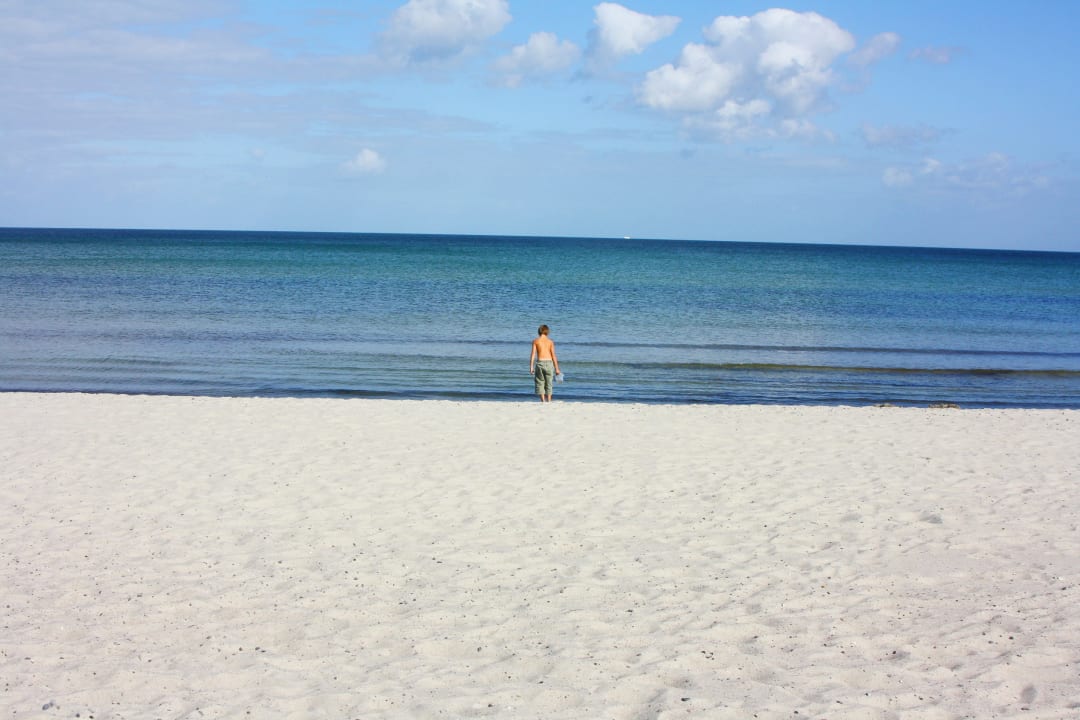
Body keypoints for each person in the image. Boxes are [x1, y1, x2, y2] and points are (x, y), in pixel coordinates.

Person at [529, 324, 561, 403]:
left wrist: (531, 367)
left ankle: (543, 400)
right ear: (547, 332)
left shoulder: (536, 341)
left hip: (540, 363)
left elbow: (533, 354)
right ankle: (549, 400)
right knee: (549, 383)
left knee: (540, 382)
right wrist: (557, 368)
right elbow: (553, 355)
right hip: (549, 363)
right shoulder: (550, 342)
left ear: (539, 331)